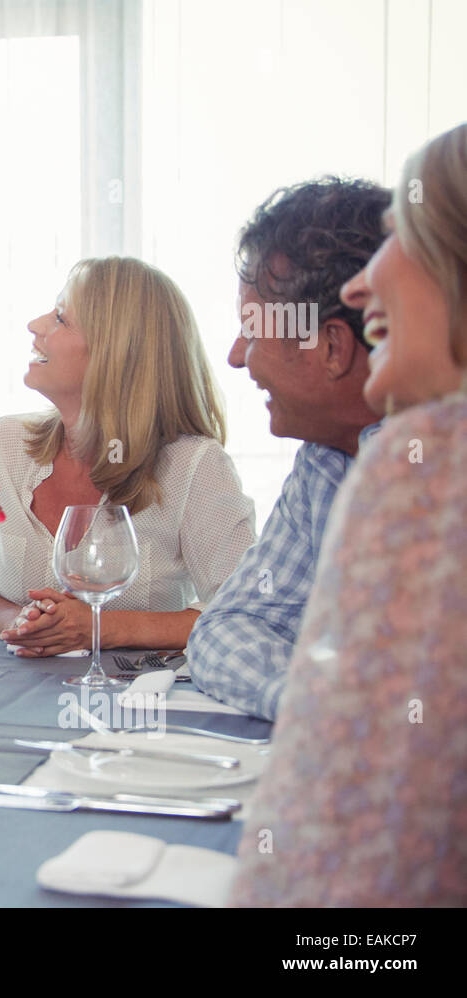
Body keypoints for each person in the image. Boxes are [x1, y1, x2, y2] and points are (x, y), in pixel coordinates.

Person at [229, 123, 467, 906]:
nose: (367, 286)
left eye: (404, 237)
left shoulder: (424, 467)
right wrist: (332, 694)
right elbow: (228, 627)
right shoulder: (334, 459)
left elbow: (357, 852)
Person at [0, 257, 255, 654]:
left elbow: (243, 615)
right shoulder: (3, 444)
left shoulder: (195, 466)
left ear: (115, 352)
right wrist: (20, 624)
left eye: (61, 318)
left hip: (137, 708)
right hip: (12, 698)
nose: (36, 325)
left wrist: (100, 628)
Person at [185, 178, 389, 719]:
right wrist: (321, 708)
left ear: (330, 347)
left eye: (251, 329)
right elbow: (229, 625)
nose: (234, 356)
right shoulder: (326, 460)